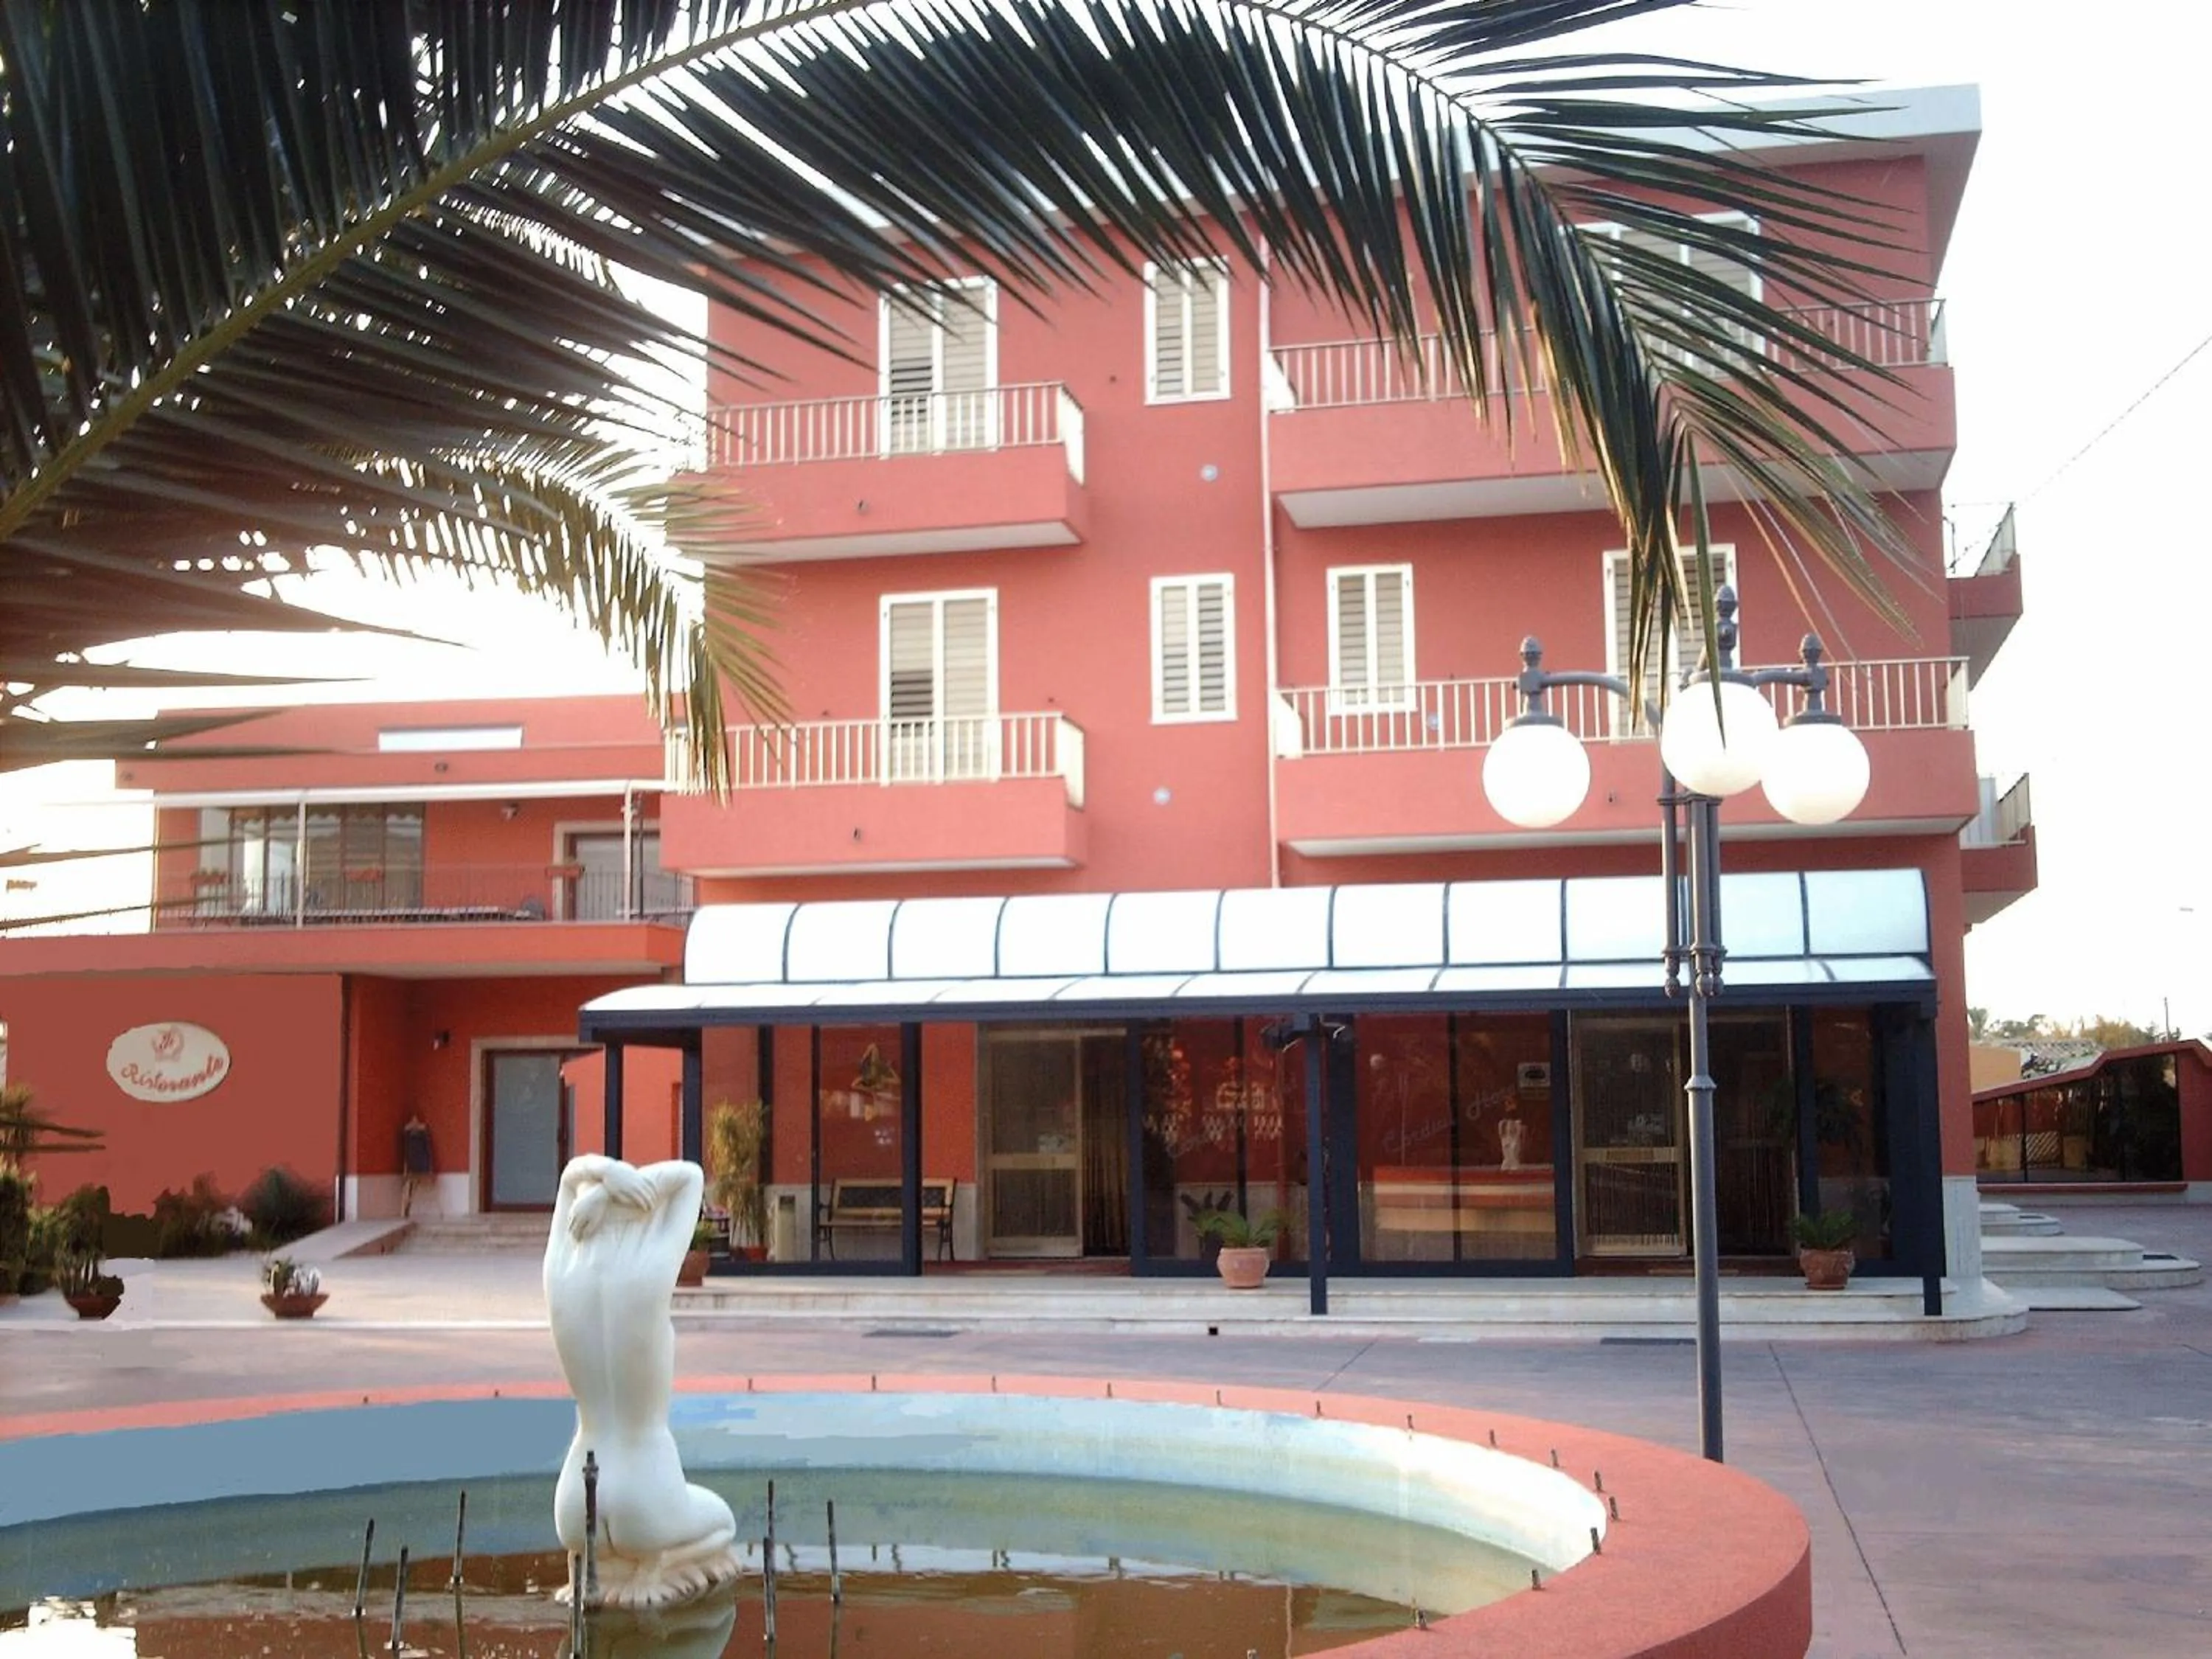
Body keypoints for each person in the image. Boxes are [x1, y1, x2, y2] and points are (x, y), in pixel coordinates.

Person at [400, 1112, 434, 1217]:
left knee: (412, 1187)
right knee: (408, 1189)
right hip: (412, 1165)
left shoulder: (421, 1135)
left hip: (419, 1165)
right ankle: (405, 1210)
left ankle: (405, 1210)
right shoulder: (409, 1137)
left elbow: (427, 1151)